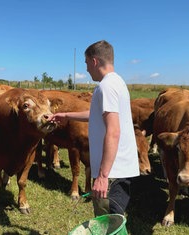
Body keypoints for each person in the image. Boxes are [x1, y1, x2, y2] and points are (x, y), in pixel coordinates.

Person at [48, 40, 139, 216]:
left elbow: (113, 131)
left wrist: (103, 177)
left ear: (94, 61)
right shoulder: (116, 82)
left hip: (113, 172)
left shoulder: (107, 87)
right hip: (116, 169)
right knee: (111, 221)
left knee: (108, 222)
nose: (87, 69)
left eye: (87, 63)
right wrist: (65, 116)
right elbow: (96, 114)